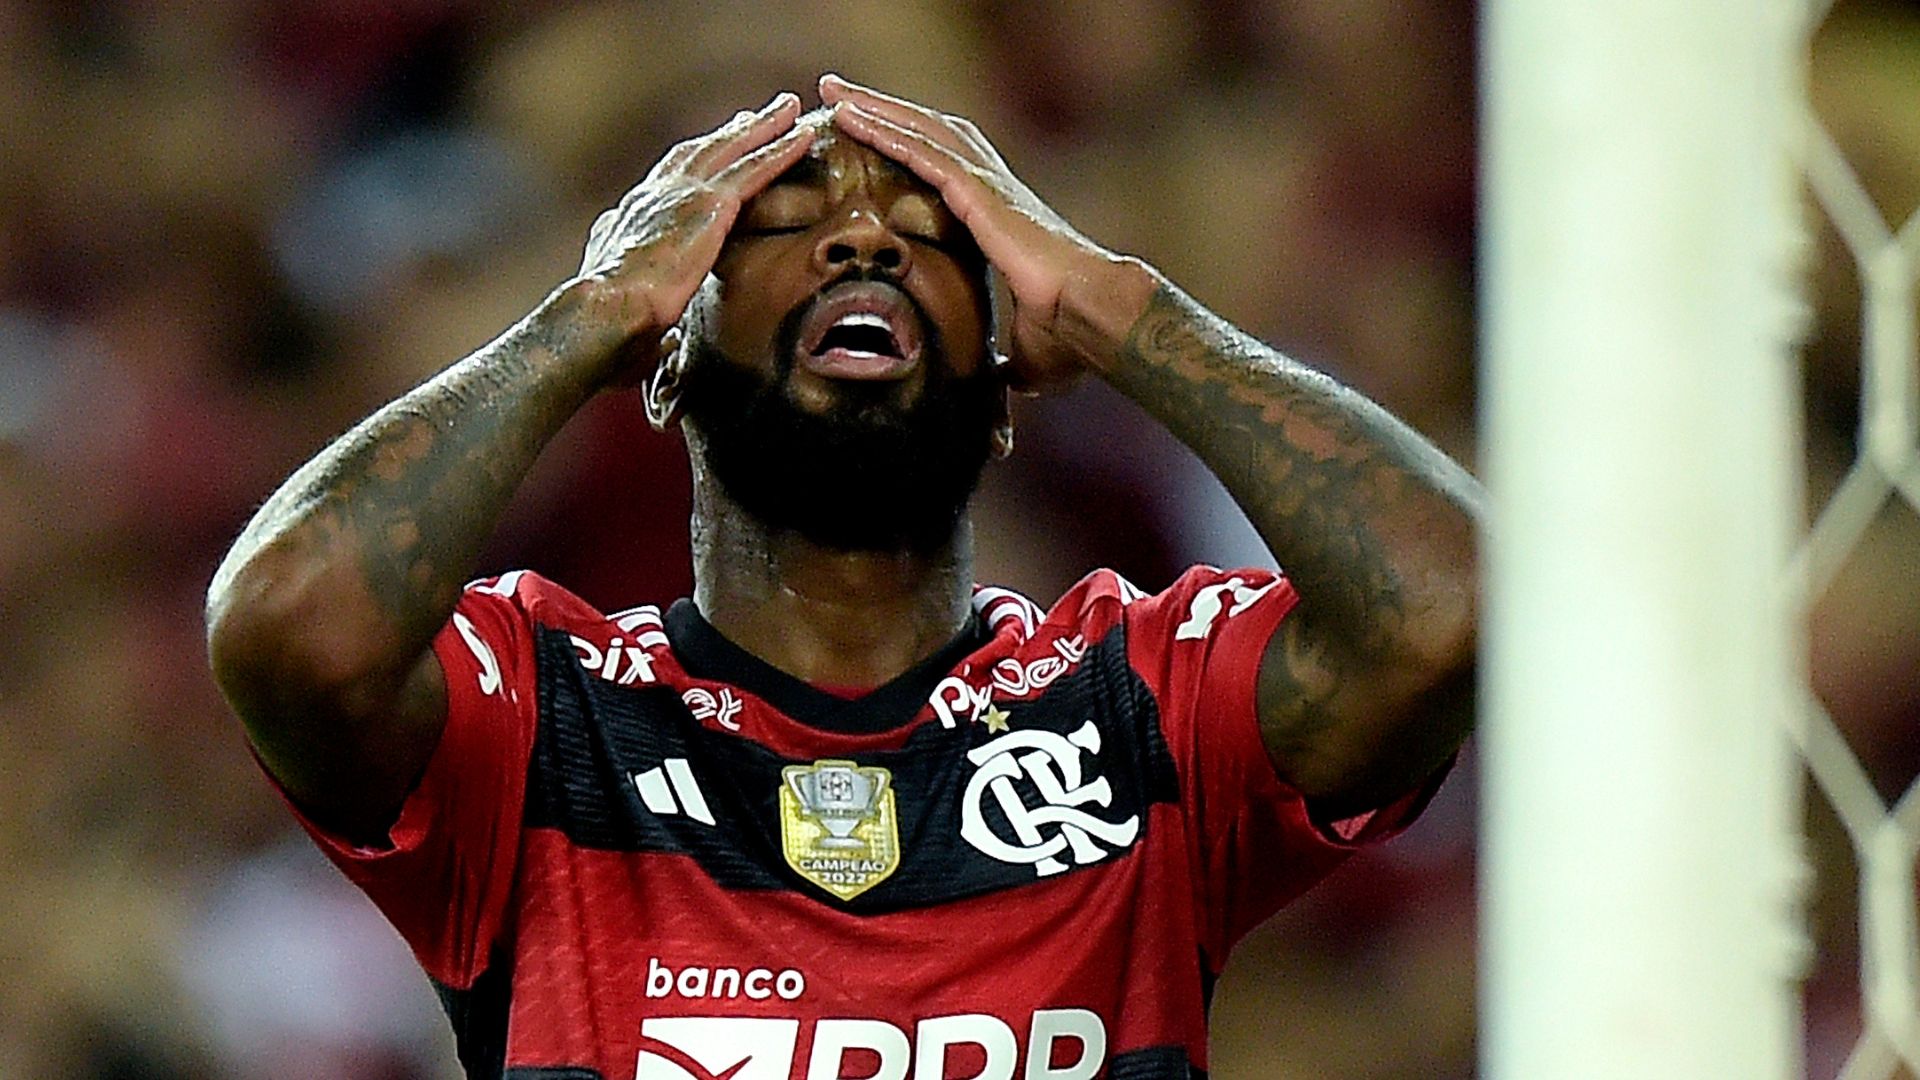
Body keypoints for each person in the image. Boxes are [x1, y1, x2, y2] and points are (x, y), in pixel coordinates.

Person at [206, 75, 1480, 1080]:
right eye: (781, 225)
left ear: (1005, 396)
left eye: (932, 234)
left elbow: (1450, 609)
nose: (862, 240)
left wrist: (1125, 311)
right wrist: (584, 316)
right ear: (666, 360)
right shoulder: (545, 718)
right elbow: (289, 626)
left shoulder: (1138, 705)